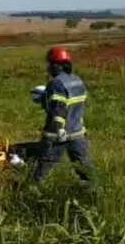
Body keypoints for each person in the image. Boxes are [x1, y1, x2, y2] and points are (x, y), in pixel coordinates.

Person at [33, 47, 94, 184]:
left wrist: (59, 128)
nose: (48, 68)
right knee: (84, 168)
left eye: (50, 64)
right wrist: (45, 98)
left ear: (56, 65)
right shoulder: (77, 80)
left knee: (43, 169)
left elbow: (59, 108)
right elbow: (75, 104)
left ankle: (32, 193)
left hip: (58, 135)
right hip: (77, 132)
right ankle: (94, 193)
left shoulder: (56, 83)